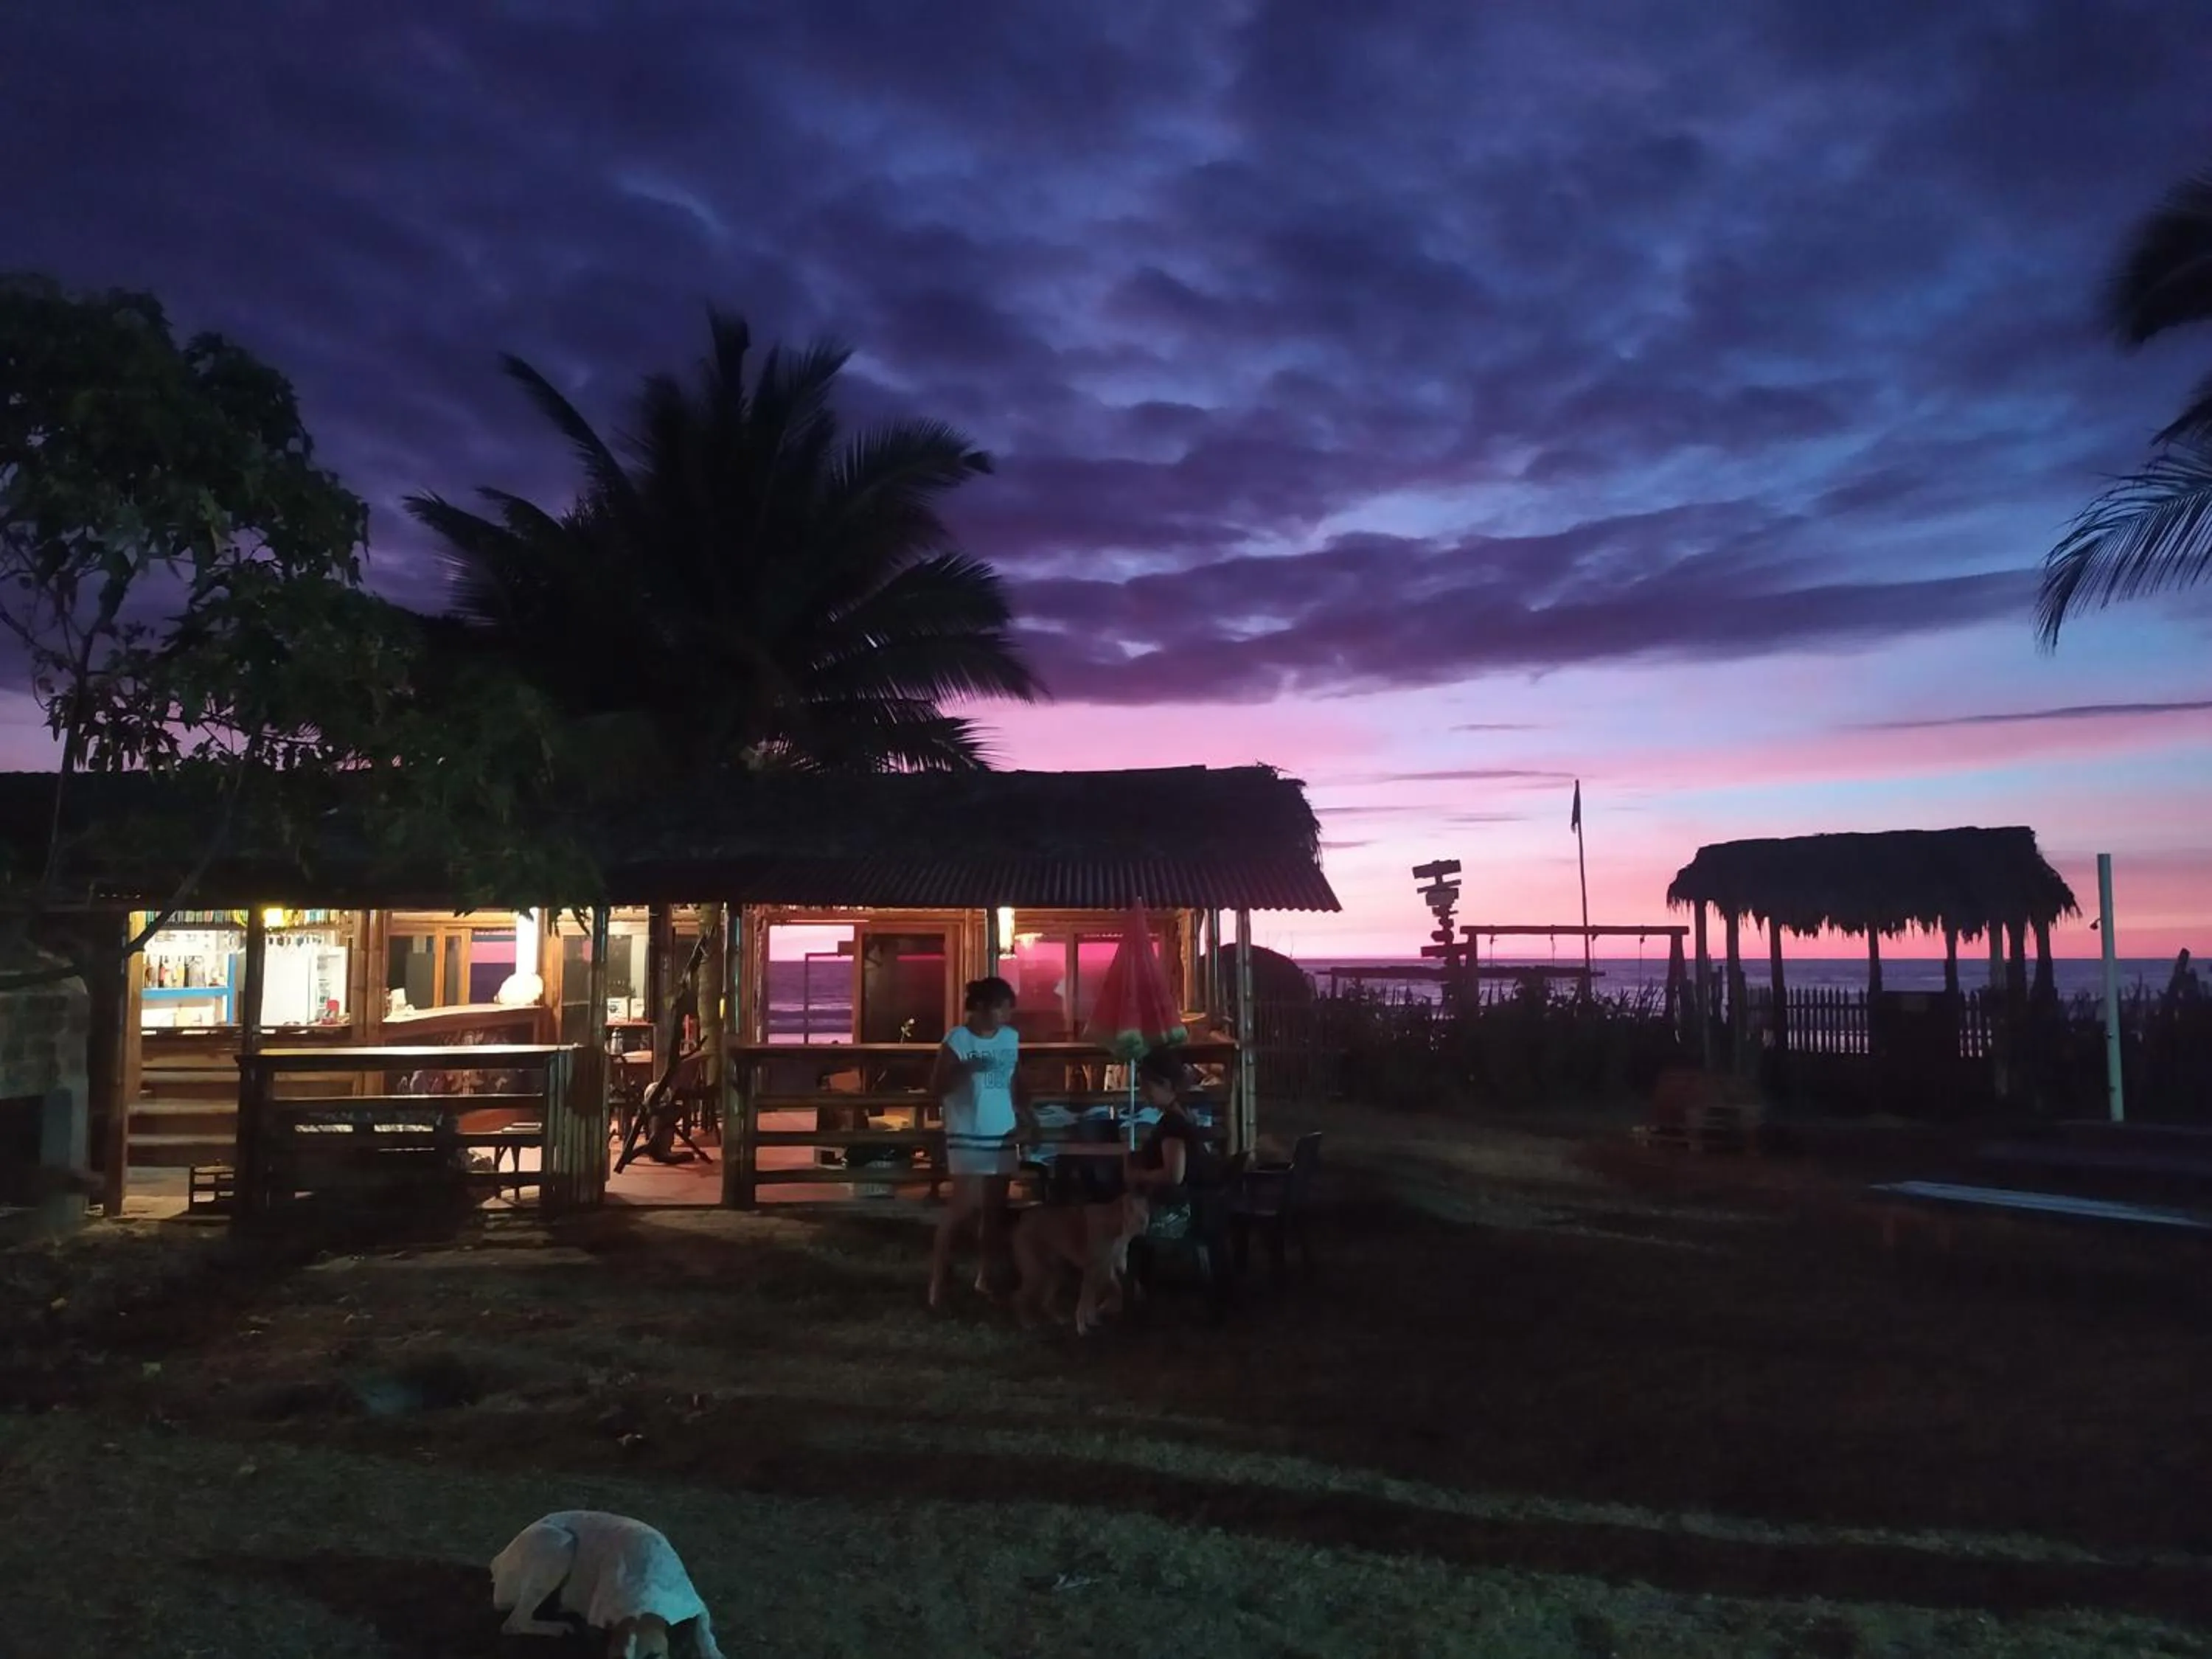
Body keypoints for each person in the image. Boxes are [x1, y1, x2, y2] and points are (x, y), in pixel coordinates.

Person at [928, 975, 1029, 1308]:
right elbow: (937, 1088)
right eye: (1001, 1009)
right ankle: (938, 1281)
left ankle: (986, 1277)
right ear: (983, 1008)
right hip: (967, 1130)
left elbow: (1015, 1081)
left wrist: (1026, 1116)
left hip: (1001, 1130)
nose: (1006, 1016)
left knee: (994, 1209)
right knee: (962, 1207)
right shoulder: (957, 1041)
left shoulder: (1010, 1039)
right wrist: (965, 1069)